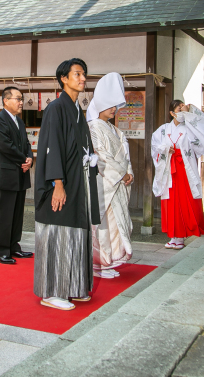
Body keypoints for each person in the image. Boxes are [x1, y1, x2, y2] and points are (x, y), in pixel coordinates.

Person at [33, 58, 101, 311]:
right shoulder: (56, 108)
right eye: (77, 74)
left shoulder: (75, 109)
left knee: (75, 232)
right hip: (61, 183)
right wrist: (57, 183)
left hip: (77, 182)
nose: (83, 78)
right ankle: (52, 291)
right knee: (58, 233)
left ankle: (73, 286)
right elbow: (52, 148)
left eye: (84, 74)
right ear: (63, 78)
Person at [151, 100, 204, 250]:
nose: (182, 110)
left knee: (183, 200)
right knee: (170, 202)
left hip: (185, 169)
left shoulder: (190, 129)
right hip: (168, 168)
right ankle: (173, 236)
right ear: (172, 113)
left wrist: (191, 111)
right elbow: (155, 146)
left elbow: (203, 139)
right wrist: (166, 148)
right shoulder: (163, 130)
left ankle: (180, 236)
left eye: (183, 108)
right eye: (179, 108)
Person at [87, 73, 134, 278]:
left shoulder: (116, 130)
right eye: (110, 105)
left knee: (116, 223)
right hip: (105, 181)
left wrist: (129, 171)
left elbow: (126, 155)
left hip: (119, 182)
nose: (114, 109)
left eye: (115, 105)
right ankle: (98, 263)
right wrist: (122, 173)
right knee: (103, 224)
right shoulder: (94, 126)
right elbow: (101, 156)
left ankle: (110, 260)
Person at [0, 86, 33, 264]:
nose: (21, 102)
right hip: (6, 173)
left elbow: (26, 143)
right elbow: (5, 146)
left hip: (20, 173)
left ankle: (14, 246)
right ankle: (1, 250)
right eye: (17, 98)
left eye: (21, 98)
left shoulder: (19, 121)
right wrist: (23, 159)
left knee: (17, 213)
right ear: (5, 101)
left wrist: (29, 157)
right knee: (5, 213)